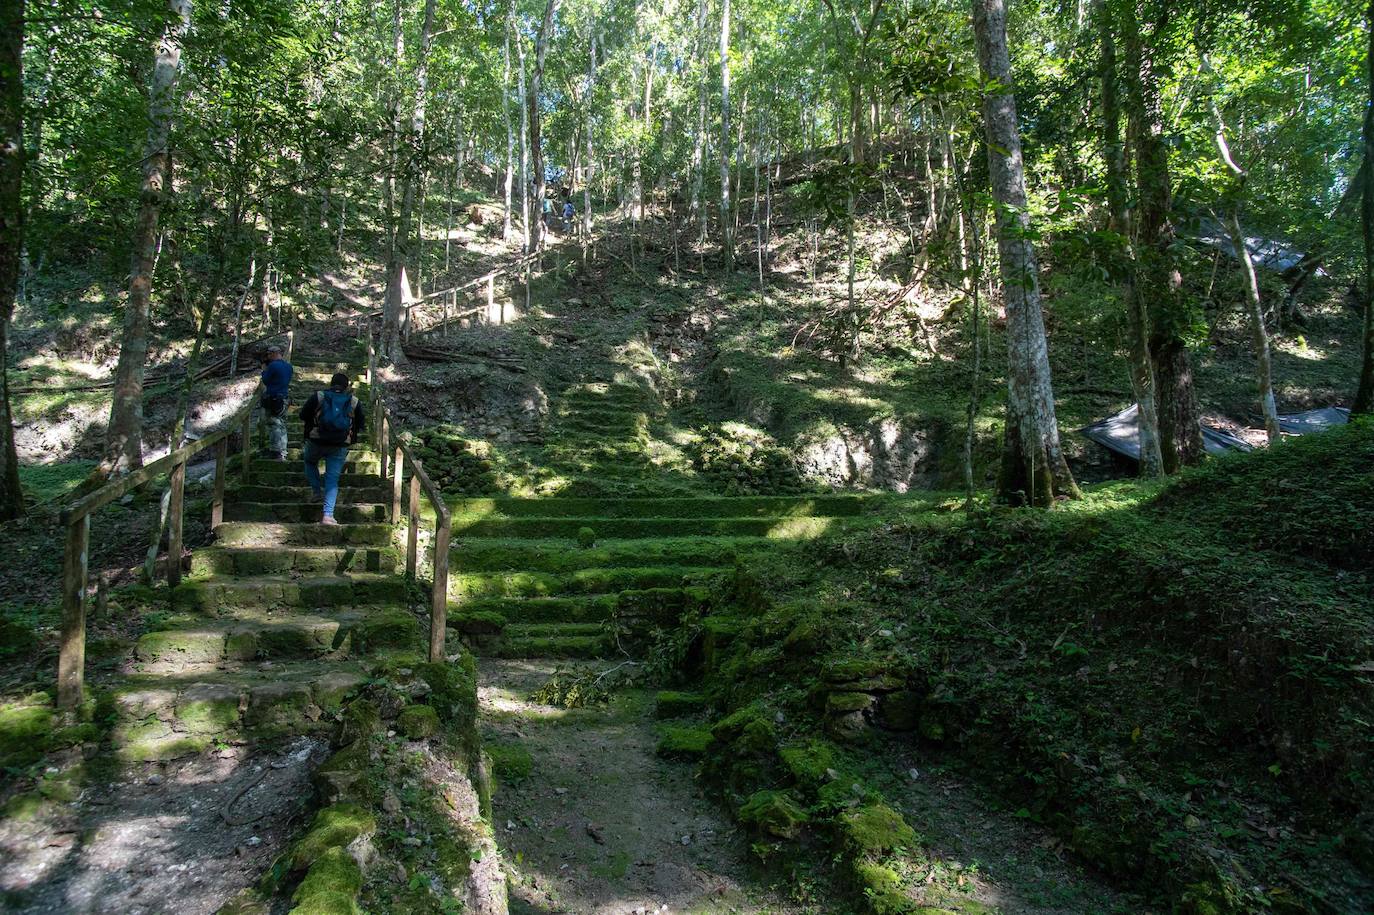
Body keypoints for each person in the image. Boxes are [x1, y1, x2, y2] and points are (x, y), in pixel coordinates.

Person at [299, 372, 366, 526]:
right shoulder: (354, 401)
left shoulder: (319, 396)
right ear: (346, 386)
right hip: (339, 444)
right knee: (332, 479)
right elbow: (361, 424)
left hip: (316, 440)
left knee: (309, 462)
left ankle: (316, 492)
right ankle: (328, 516)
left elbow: (303, 415)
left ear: (331, 383)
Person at [259, 344, 293, 461]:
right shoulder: (288, 366)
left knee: (274, 424)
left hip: (274, 398)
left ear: (274, 353)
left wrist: (264, 371)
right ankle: (283, 450)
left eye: (269, 354)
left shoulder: (273, 366)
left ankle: (276, 451)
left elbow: (266, 380)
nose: (268, 356)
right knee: (282, 424)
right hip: (284, 398)